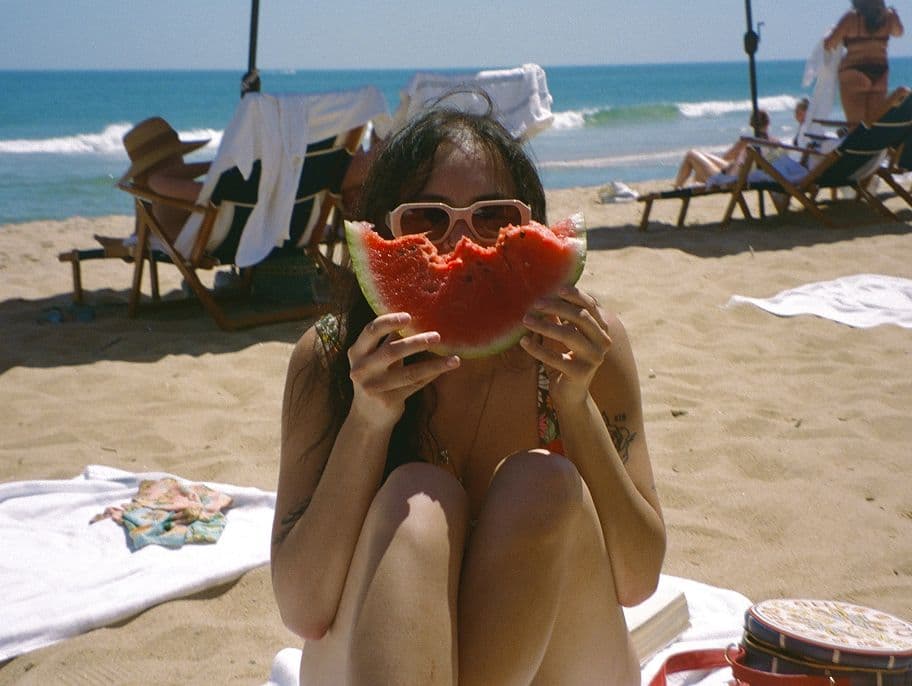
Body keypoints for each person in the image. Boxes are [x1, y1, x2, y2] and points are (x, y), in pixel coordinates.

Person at [271, 103, 666, 685]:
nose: (460, 244)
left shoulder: (590, 347)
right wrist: (367, 422)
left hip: (556, 661)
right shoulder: (330, 358)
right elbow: (303, 607)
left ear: (529, 228)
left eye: (493, 217)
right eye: (427, 219)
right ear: (382, 231)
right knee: (417, 497)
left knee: (543, 481)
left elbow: (637, 579)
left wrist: (575, 405)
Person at [119, 117, 211, 242]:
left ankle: (122, 243)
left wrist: (213, 166)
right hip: (196, 239)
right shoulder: (159, 183)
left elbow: (210, 193)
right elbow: (212, 193)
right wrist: (215, 166)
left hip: (189, 240)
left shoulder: (157, 185)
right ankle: (122, 243)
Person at [824, 0, 904, 126]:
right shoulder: (888, 16)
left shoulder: (851, 17)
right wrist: (894, 14)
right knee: (873, 125)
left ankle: (855, 145)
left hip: (854, 72)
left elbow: (829, 44)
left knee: (856, 128)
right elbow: (899, 32)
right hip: (880, 73)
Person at [674, 109, 772, 187]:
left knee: (691, 154)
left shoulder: (748, 142)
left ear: (752, 124)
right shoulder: (773, 143)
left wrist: (739, 148)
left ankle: (677, 187)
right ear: (768, 123)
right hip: (743, 174)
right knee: (703, 159)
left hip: (731, 179)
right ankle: (696, 178)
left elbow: (727, 157)